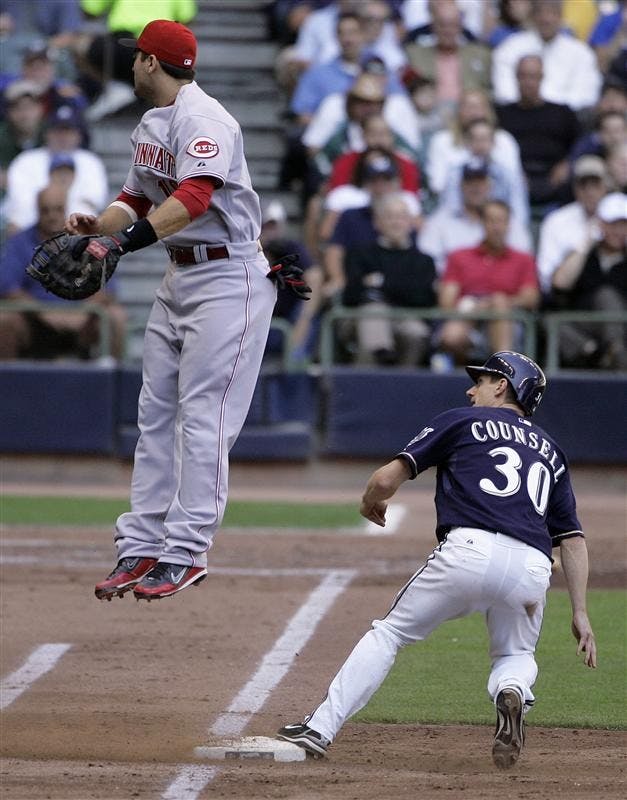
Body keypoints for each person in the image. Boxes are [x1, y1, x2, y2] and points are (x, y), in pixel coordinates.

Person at [277, 350, 597, 768]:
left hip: (467, 550)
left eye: (481, 381)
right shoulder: (551, 450)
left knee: (388, 635)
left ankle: (319, 729)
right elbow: (571, 539)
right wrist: (581, 612)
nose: (470, 388)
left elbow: (385, 479)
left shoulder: (461, 420)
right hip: (533, 567)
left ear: (502, 386)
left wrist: (369, 501)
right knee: (514, 655)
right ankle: (512, 691)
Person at [68, 20, 290, 602]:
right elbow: (136, 197)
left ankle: (187, 550)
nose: (132, 64)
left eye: (137, 56)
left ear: (150, 63)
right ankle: (141, 544)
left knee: (203, 418)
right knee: (155, 413)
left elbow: (194, 197)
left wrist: (124, 243)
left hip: (228, 277)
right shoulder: (152, 122)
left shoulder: (206, 119)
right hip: (181, 274)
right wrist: (101, 225)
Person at [0, 184, 126, 360]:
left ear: (66, 208)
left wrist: (81, 312)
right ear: (37, 210)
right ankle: (8, 383)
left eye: (58, 209)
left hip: (82, 320)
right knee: (4, 320)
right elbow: (7, 287)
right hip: (34, 320)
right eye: (46, 210)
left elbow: (108, 288)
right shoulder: (19, 242)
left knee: (115, 316)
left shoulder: (87, 240)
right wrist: (46, 313)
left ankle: (113, 382)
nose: (52, 216)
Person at [437, 200, 539, 364]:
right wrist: (477, 308)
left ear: (509, 224)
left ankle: (502, 369)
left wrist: (496, 303)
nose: (497, 227)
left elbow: (530, 298)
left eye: (501, 221)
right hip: (468, 314)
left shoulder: (523, 260)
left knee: (500, 302)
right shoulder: (459, 256)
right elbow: (446, 302)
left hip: (508, 318)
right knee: (451, 335)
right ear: (482, 223)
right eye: (491, 221)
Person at [342, 191, 436, 365]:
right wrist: (404, 287)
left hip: (408, 318)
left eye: (401, 217)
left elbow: (424, 298)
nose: (396, 222)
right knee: (373, 312)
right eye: (390, 216)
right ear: (377, 222)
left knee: (416, 333)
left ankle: (405, 384)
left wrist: (380, 283)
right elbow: (352, 294)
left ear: (410, 222)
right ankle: (378, 358)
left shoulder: (424, 261)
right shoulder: (360, 254)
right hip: (361, 318)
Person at [549, 191, 627, 370]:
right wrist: (586, 242)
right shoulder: (585, 255)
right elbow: (560, 284)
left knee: (607, 295)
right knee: (551, 321)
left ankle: (617, 354)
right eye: (613, 224)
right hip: (586, 327)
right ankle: (599, 356)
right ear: (601, 224)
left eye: (624, 225)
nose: (619, 231)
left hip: (623, 327)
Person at [3, 103, 108, 234]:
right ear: (46, 133)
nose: (62, 137)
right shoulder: (25, 159)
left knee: (85, 216)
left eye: (68, 131)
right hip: (30, 226)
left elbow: (92, 202)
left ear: (79, 135)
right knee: (18, 218)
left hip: (72, 227)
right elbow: (21, 202)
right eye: (57, 131)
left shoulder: (90, 161)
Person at [494, 54, 580, 214]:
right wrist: (514, 173)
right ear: (516, 78)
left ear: (542, 78)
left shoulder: (562, 112)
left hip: (556, 178)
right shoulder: (502, 114)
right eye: (523, 76)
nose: (528, 82)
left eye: (533, 76)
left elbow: (580, 144)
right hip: (517, 178)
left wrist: (568, 163)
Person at [419, 160, 532, 274]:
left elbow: (523, 260)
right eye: (470, 183)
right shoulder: (440, 221)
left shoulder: (507, 220)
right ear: (461, 186)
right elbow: (428, 261)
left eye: (480, 182)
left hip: (502, 287)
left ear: (489, 185)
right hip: (455, 287)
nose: (476, 188)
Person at [491, 0, 601, 113]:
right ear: (533, 16)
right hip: (519, 115)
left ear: (561, 16)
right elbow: (504, 93)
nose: (546, 19)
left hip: (566, 119)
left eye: (552, 13)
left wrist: (549, 108)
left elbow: (586, 95)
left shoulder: (581, 53)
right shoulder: (509, 48)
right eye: (541, 13)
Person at [536, 155, 609, 296]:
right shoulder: (556, 220)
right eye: (584, 185)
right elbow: (548, 278)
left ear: (606, 186)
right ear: (575, 188)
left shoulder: (620, 215)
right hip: (570, 297)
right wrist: (584, 245)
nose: (590, 192)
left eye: (595, 185)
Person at [404, 0, 492, 118]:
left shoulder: (481, 54)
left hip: (468, 115)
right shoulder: (414, 54)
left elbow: (490, 90)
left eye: (452, 25)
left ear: (461, 26)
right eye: (442, 24)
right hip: (428, 115)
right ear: (433, 26)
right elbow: (406, 88)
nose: (447, 31)